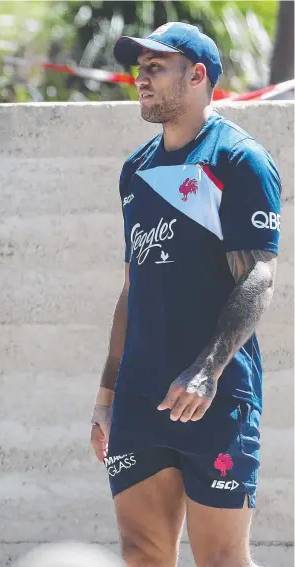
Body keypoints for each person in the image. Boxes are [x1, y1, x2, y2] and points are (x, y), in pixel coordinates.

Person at [89, 22, 281, 567]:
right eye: (139, 68)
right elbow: (133, 288)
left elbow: (258, 276)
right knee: (141, 551)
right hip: (140, 395)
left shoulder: (240, 160)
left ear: (198, 76)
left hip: (215, 394)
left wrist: (209, 368)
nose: (141, 79)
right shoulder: (136, 170)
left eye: (156, 68)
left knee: (220, 557)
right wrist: (107, 395)